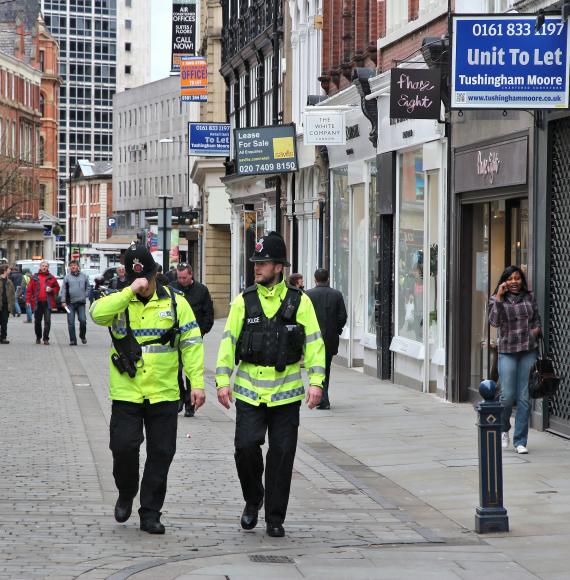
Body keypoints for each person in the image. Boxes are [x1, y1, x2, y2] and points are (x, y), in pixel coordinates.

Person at [90, 243, 205, 534]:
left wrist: (197, 384)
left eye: (143, 279)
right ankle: (127, 491)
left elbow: (191, 344)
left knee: (161, 453)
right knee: (123, 448)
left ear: (155, 274)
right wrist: (129, 290)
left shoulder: (176, 303)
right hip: (127, 392)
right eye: (133, 280)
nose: (140, 285)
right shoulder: (120, 300)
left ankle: (150, 511)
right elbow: (96, 314)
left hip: (164, 393)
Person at [215, 231, 325, 538]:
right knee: (245, 448)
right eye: (255, 263)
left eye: (263, 262)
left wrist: (317, 383)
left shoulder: (299, 302)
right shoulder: (243, 302)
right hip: (250, 394)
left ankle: (275, 518)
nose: (257, 267)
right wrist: (222, 381)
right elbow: (228, 343)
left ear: (279, 267)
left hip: (286, 396)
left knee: (282, 455)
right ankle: (254, 498)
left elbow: (315, 344)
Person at [489, 265, 541, 455]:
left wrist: (534, 332)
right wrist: (499, 298)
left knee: (524, 398)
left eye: (517, 278)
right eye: (510, 279)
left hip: (528, 350)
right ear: (504, 281)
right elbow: (494, 322)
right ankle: (504, 429)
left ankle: (520, 440)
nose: (514, 282)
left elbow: (536, 320)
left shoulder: (530, 297)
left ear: (522, 280)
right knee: (507, 396)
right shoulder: (496, 299)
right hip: (508, 351)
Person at [171, 262, 214, 417]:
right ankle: (181, 396)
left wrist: (200, 332)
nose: (181, 280)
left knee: (191, 372)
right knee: (175, 370)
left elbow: (209, 314)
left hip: (193, 338)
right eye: (179, 277)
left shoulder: (202, 290)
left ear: (191, 275)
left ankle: (190, 403)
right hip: (175, 339)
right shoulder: (172, 288)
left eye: (184, 277)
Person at [306, 268, 348, 410]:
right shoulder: (336, 294)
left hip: (312, 339)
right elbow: (343, 316)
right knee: (326, 368)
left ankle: (321, 398)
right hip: (330, 337)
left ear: (315, 279)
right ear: (328, 279)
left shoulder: (308, 295)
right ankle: (323, 397)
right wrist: (336, 329)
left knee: (315, 368)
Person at [26, 260, 60, 345]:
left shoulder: (52, 277)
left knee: (47, 321)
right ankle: (38, 337)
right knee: (37, 321)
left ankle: (46, 338)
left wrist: (51, 289)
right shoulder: (34, 277)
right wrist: (28, 300)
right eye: (43, 266)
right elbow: (29, 290)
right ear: (40, 267)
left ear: (48, 268)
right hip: (37, 302)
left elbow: (57, 288)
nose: (44, 267)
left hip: (47, 303)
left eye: (46, 266)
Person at [61, 261, 90, 346]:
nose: (73, 267)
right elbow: (63, 290)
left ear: (78, 266)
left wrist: (85, 295)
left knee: (83, 320)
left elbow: (88, 287)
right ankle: (73, 340)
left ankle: (82, 335)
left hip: (81, 303)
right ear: (70, 267)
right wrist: (63, 301)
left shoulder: (84, 276)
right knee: (71, 322)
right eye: (71, 266)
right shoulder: (67, 277)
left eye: (74, 265)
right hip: (70, 303)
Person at [0, 264, 16, 343]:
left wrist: (12, 306)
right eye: (9, 269)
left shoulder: (9, 282)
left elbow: (13, 295)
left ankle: (3, 338)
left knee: (4, 322)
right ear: (5, 270)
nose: (10, 270)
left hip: (6, 305)